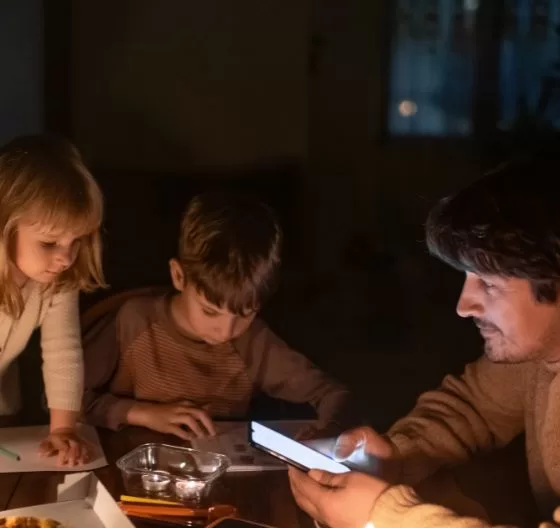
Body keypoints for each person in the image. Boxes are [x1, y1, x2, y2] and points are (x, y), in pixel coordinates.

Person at [288, 155, 560, 528]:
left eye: (491, 286)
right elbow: (469, 406)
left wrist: (383, 514)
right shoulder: (543, 346)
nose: (463, 304)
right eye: (468, 278)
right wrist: (398, 455)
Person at [83, 191, 352, 440]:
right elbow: (64, 400)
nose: (224, 332)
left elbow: (332, 393)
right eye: (209, 311)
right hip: (129, 469)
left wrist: (329, 433)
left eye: (245, 314)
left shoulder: (255, 342)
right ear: (178, 276)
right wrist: (141, 413)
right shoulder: (133, 321)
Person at [0, 135, 106, 466]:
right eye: (49, 243)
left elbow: (63, 352)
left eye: (76, 241)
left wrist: (64, 429)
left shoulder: (56, 281)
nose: (65, 257)